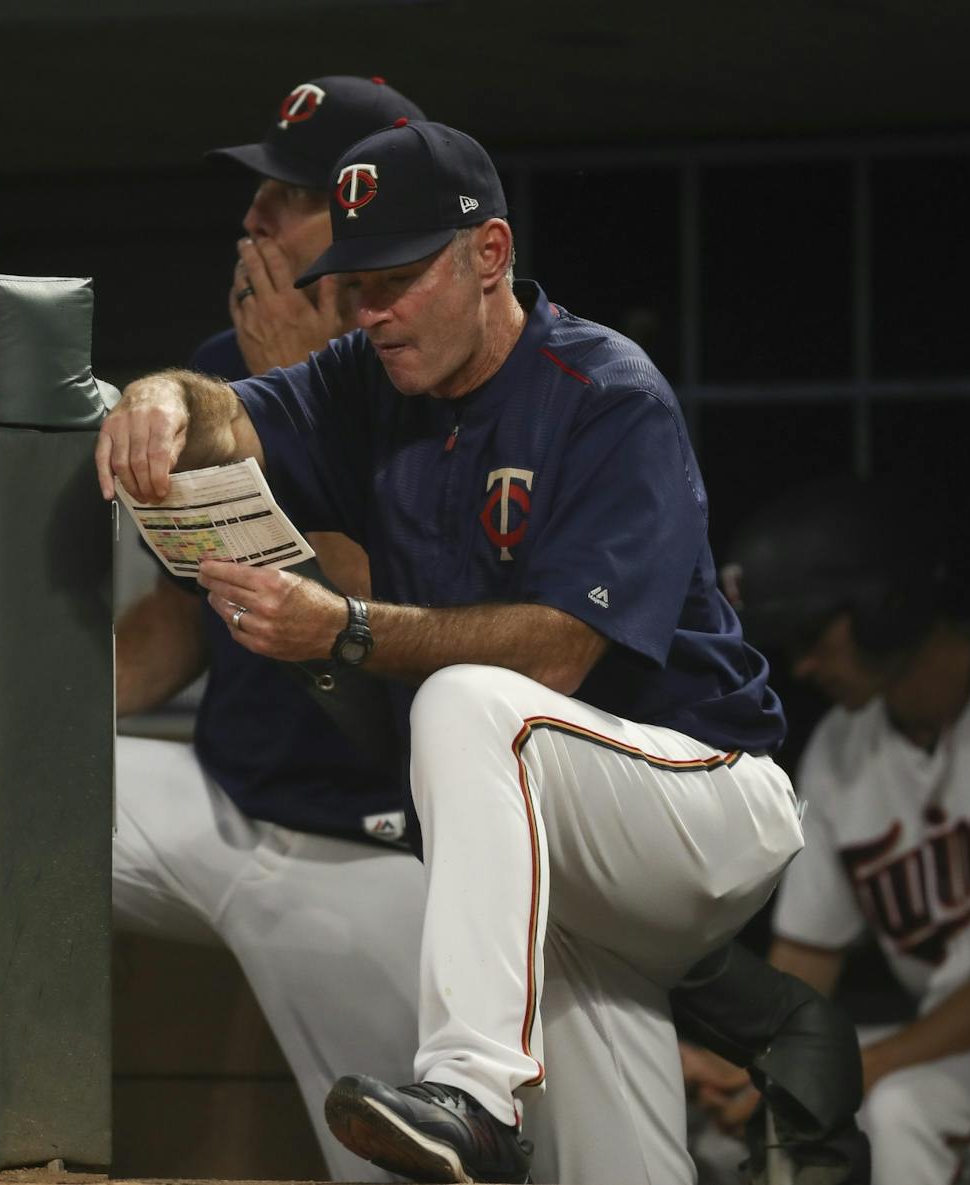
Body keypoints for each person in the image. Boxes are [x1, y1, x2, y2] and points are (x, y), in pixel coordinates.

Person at [96, 118, 805, 1185]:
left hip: (699, 795)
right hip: (561, 855)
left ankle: (471, 1091)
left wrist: (343, 628)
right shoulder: (365, 381)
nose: (373, 310)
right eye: (357, 281)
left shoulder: (602, 393)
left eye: (400, 277)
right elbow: (228, 418)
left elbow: (559, 654)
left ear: (488, 257)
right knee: (624, 1163)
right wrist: (159, 398)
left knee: (467, 700)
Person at [109, 75, 429, 1184]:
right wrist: (11, 717)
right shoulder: (220, 365)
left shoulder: (433, 385)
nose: (252, 222)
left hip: (373, 848)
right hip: (224, 815)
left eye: (284, 197)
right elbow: (171, 623)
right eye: (257, 194)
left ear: (361, 208)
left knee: (391, 1166)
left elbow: (369, 633)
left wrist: (299, 388)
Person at [687, 479, 970, 1185]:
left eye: (813, 634)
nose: (803, 665)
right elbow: (802, 972)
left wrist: (839, 1070)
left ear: (887, 604)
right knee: (714, 1124)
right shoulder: (844, 749)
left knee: (904, 1108)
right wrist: (744, 1062)